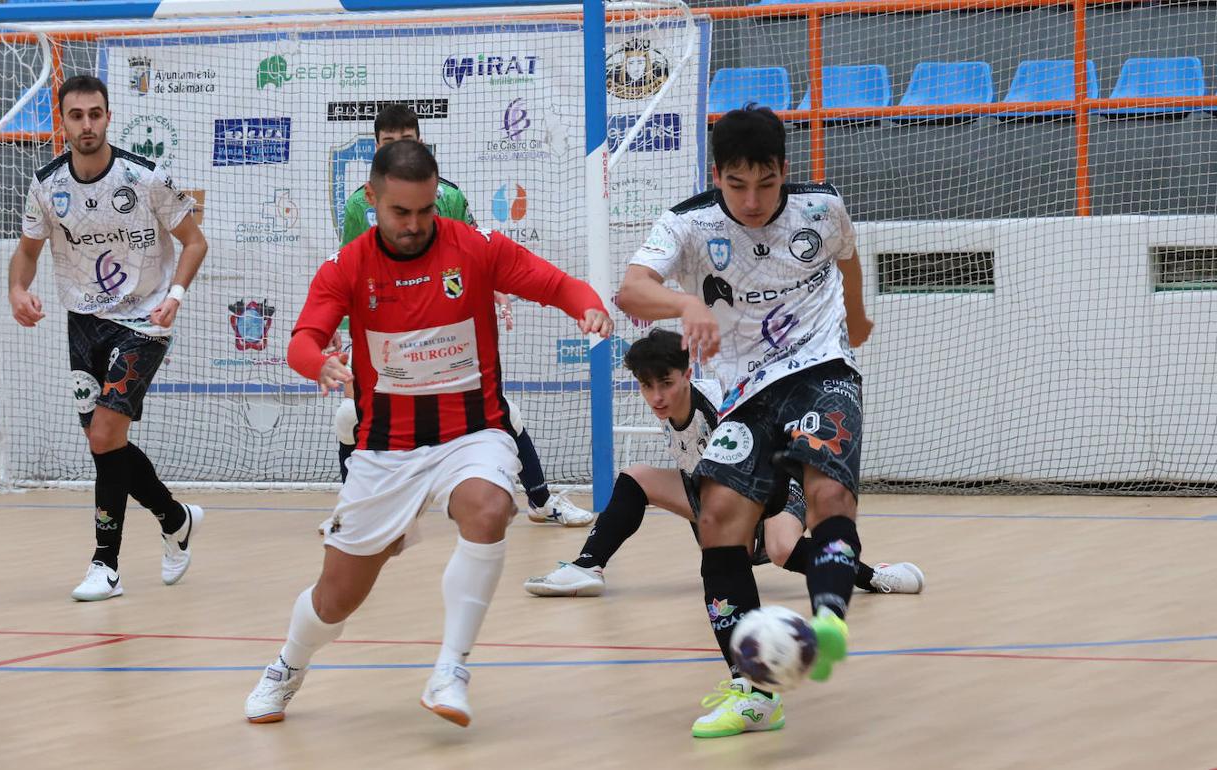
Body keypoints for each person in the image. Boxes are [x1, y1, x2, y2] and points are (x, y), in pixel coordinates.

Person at [244, 139, 613, 726]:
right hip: (384, 449)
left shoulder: (475, 247)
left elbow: (556, 284)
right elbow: (301, 341)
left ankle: (451, 668)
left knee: (490, 509)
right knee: (336, 598)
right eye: (400, 213)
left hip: (472, 432)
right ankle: (288, 665)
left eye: (425, 210)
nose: (414, 225)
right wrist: (321, 364)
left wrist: (588, 306)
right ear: (372, 199)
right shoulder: (347, 266)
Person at [617, 106, 874, 737]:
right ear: (718, 175)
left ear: (784, 170)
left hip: (820, 369)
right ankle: (754, 691)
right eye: (738, 185)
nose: (753, 199)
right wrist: (682, 302)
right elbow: (629, 289)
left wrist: (858, 316)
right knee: (717, 524)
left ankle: (830, 617)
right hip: (741, 394)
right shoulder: (688, 223)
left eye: (766, 183)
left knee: (827, 490)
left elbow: (847, 257)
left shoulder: (822, 208)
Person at [334, 105, 593, 526]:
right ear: (375, 146)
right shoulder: (356, 206)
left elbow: (472, 254)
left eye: (408, 140)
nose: (400, 148)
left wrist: (494, 291)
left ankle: (542, 501)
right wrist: (337, 332)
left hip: (446, 326)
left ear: (422, 142)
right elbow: (346, 272)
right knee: (352, 417)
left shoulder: (448, 196)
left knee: (502, 412)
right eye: (389, 142)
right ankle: (357, 513)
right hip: (383, 334)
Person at [523, 328, 922, 599]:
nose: (657, 396)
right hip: (716, 491)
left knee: (782, 549)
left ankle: (873, 577)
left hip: (777, 487)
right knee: (635, 478)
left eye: (666, 383)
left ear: (687, 373)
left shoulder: (720, 406)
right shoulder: (669, 413)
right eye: (647, 386)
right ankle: (587, 566)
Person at [7, 75, 208, 602]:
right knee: (106, 444)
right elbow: (27, 252)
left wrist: (177, 296)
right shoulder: (46, 185)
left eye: (96, 114)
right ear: (64, 122)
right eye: (77, 116)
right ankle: (175, 516)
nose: (87, 124)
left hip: (144, 320)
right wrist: (16, 289)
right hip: (82, 324)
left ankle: (106, 565)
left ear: (109, 116)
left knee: (103, 435)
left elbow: (194, 240)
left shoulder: (145, 178)